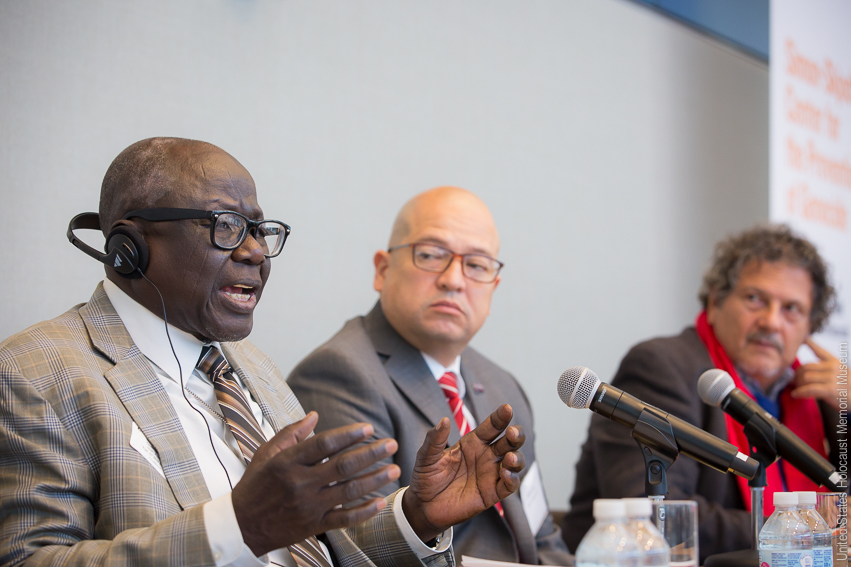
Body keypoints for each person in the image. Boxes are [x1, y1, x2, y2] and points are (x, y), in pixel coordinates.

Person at [0, 138, 529, 567]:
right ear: (129, 247)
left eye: (259, 230)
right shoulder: (37, 371)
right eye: (226, 227)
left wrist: (417, 515)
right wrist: (239, 527)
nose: (255, 252)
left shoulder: (251, 366)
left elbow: (326, 541)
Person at [287, 187, 573, 565]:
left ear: (493, 287)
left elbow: (542, 537)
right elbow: (367, 549)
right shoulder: (339, 374)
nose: (454, 280)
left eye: (476, 265)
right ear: (383, 269)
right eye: (432, 255)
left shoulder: (503, 385)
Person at [563, 225, 845, 562]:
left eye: (791, 309)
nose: (771, 322)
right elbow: (656, 515)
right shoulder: (662, 366)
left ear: (809, 328)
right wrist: (804, 532)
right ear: (715, 302)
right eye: (755, 299)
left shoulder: (819, 392)